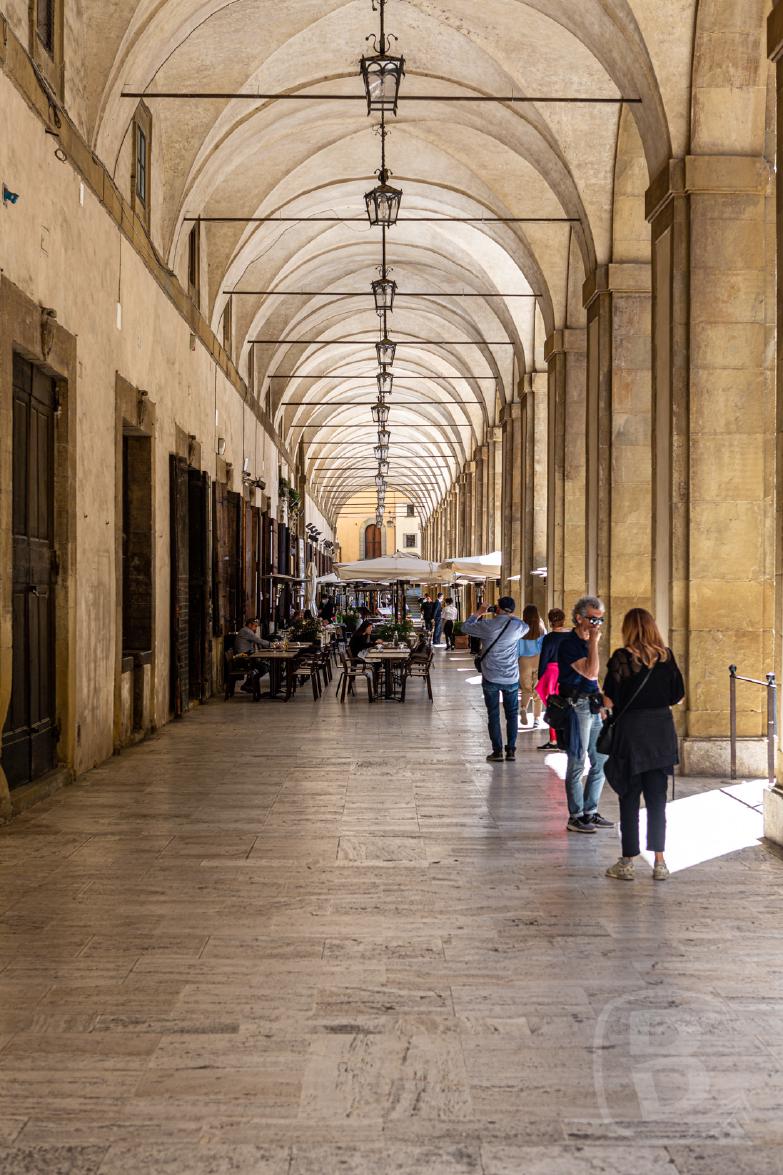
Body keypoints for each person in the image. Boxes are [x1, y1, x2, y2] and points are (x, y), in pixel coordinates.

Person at [602, 608, 685, 882]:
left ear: (628, 629)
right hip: (660, 732)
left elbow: (609, 699)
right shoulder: (667, 657)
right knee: (657, 800)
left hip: (631, 735)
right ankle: (660, 862)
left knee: (629, 797)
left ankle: (627, 861)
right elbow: (677, 695)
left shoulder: (621, 658)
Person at [557, 596, 613, 833]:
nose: (596, 625)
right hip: (576, 706)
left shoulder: (589, 640)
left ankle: (591, 811)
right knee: (577, 760)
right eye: (592, 619)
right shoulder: (569, 644)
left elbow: (595, 681)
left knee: (600, 760)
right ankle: (576, 815)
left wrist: (601, 703)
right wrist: (594, 644)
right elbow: (590, 672)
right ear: (579, 618)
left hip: (591, 705)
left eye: (600, 620)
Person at [462, 597, 528, 763]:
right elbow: (526, 626)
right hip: (511, 677)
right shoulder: (517, 626)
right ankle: (511, 750)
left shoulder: (487, 626)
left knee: (493, 714)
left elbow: (465, 627)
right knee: (512, 714)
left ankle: (497, 751)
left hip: (491, 675)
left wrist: (479, 612)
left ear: (497, 608)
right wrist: (510, 616)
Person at [535, 608, 570, 749]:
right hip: (567, 671)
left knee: (553, 707)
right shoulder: (571, 636)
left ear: (550, 621)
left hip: (552, 673)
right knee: (568, 705)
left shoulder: (549, 638)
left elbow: (544, 659)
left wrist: (540, 677)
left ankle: (554, 740)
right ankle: (567, 738)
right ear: (563, 619)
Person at [518, 604, 546, 728]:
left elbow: (517, 646)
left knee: (526, 689)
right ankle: (536, 719)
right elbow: (545, 644)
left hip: (524, 660)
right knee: (538, 690)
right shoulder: (540, 628)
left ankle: (523, 708)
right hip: (538, 659)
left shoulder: (520, 627)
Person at [234, 618, 271, 698]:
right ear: (250, 625)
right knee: (263, 667)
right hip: (243, 659)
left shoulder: (246, 631)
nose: (256, 628)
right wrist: (272, 645)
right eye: (255, 626)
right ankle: (250, 685)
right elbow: (258, 640)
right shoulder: (246, 631)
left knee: (264, 666)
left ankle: (248, 684)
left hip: (245, 657)